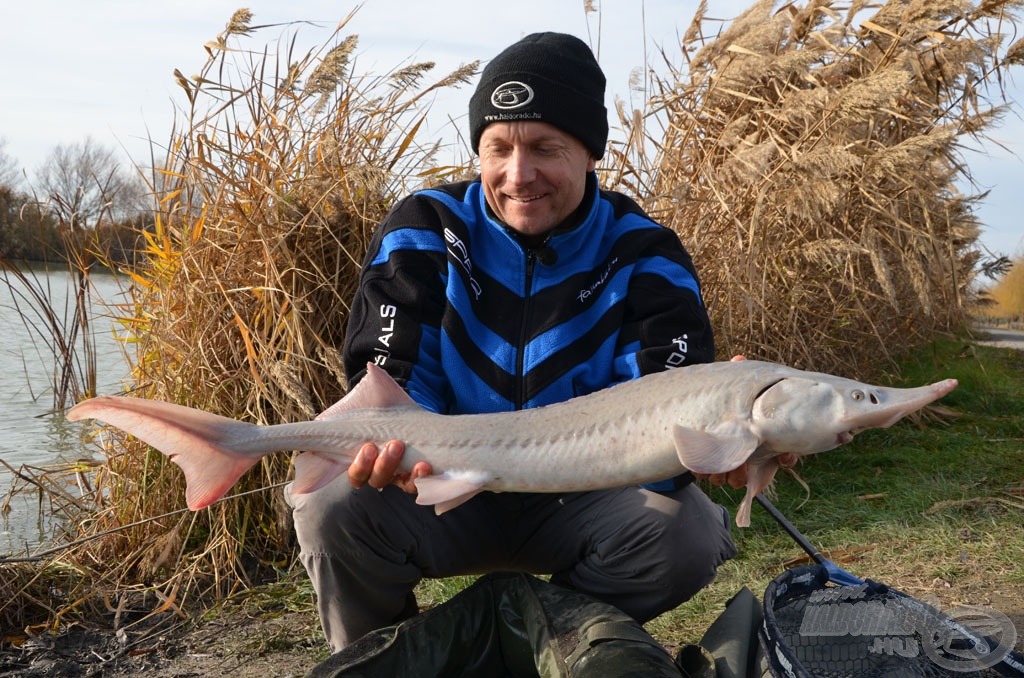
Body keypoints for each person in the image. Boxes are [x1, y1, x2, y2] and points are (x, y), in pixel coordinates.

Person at [288, 31, 752, 653]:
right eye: (497, 147)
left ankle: (544, 645)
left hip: (580, 500)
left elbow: (660, 407)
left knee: (685, 530)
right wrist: (397, 450)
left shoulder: (645, 252)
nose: (518, 174)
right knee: (330, 509)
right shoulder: (425, 228)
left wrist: (721, 429)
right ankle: (384, 661)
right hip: (440, 489)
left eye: (544, 147)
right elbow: (391, 378)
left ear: (590, 152)